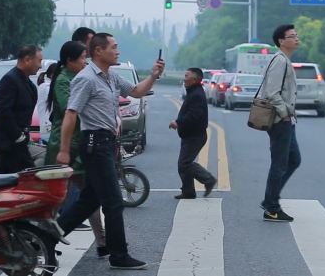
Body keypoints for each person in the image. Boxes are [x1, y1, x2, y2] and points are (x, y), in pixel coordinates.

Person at [56, 33, 164, 269]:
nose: (118, 51)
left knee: (87, 202)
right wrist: (64, 151)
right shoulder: (86, 79)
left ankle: (45, 237)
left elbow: (136, 92)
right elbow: (71, 113)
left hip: (106, 143)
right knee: (113, 202)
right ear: (98, 51)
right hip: (95, 143)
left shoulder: (111, 77)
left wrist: (154, 76)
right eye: (114, 47)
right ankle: (119, 255)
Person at [44, 41, 107, 256]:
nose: (86, 62)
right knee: (58, 198)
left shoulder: (78, 77)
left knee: (90, 194)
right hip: (66, 146)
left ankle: (101, 242)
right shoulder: (63, 80)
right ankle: (45, 239)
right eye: (82, 58)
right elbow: (71, 109)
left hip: (80, 144)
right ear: (70, 60)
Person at [258, 24, 300, 222]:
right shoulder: (279, 61)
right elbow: (271, 92)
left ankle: (270, 199)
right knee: (280, 164)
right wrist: (284, 114)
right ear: (281, 41)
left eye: (296, 35)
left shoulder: (284, 60)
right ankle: (271, 207)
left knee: (293, 160)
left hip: (286, 120)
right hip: (279, 120)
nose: (296, 39)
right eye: (292, 36)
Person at [169, 67, 217, 199]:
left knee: (184, 164)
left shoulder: (196, 94)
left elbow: (194, 115)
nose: (184, 78)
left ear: (195, 79)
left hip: (195, 136)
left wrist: (178, 122)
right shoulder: (194, 92)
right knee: (183, 164)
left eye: (187, 76)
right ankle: (188, 191)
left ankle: (208, 180)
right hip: (191, 135)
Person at [0, 45, 42, 174]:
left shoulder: (29, 85)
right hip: (9, 145)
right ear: (27, 60)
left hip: (20, 143)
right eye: (39, 61)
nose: (40, 66)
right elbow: (4, 111)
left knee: (27, 178)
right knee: (18, 182)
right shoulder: (10, 80)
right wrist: (18, 136)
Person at [36, 62, 57, 142]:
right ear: (52, 75)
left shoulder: (47, 86)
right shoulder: (46, 87)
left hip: (48, 128)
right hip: (48, 128)